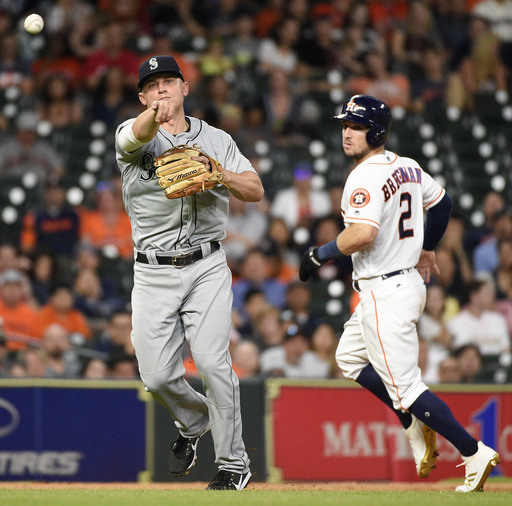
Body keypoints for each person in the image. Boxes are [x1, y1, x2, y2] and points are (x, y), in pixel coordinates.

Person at [298, 94, 499, 492]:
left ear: (375, 131)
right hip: (403, 281)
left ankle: (472, 450)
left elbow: (363, 232)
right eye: (345, 125)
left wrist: (319, 255)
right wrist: (429, 247)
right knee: (349, 358)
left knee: (406, 388)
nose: (347, 133)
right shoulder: (406, 165)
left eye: (355, 126)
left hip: (385, 290)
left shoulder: (363, 176)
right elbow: (443, 205)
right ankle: (412, 423)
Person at [114, 55, 263, 491]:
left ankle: (234, 464)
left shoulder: (217, 139)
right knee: (157, 375)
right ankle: (194, 419)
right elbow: (137, 136)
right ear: (143, 97)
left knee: (215, 365)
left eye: (168, 81)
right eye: (152, 85)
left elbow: (254, 189)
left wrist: (219, 174)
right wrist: (150, 120)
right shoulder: (131, 134)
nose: (161, 89)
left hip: (207, 265)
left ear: (184, 87)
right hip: (153, 270)